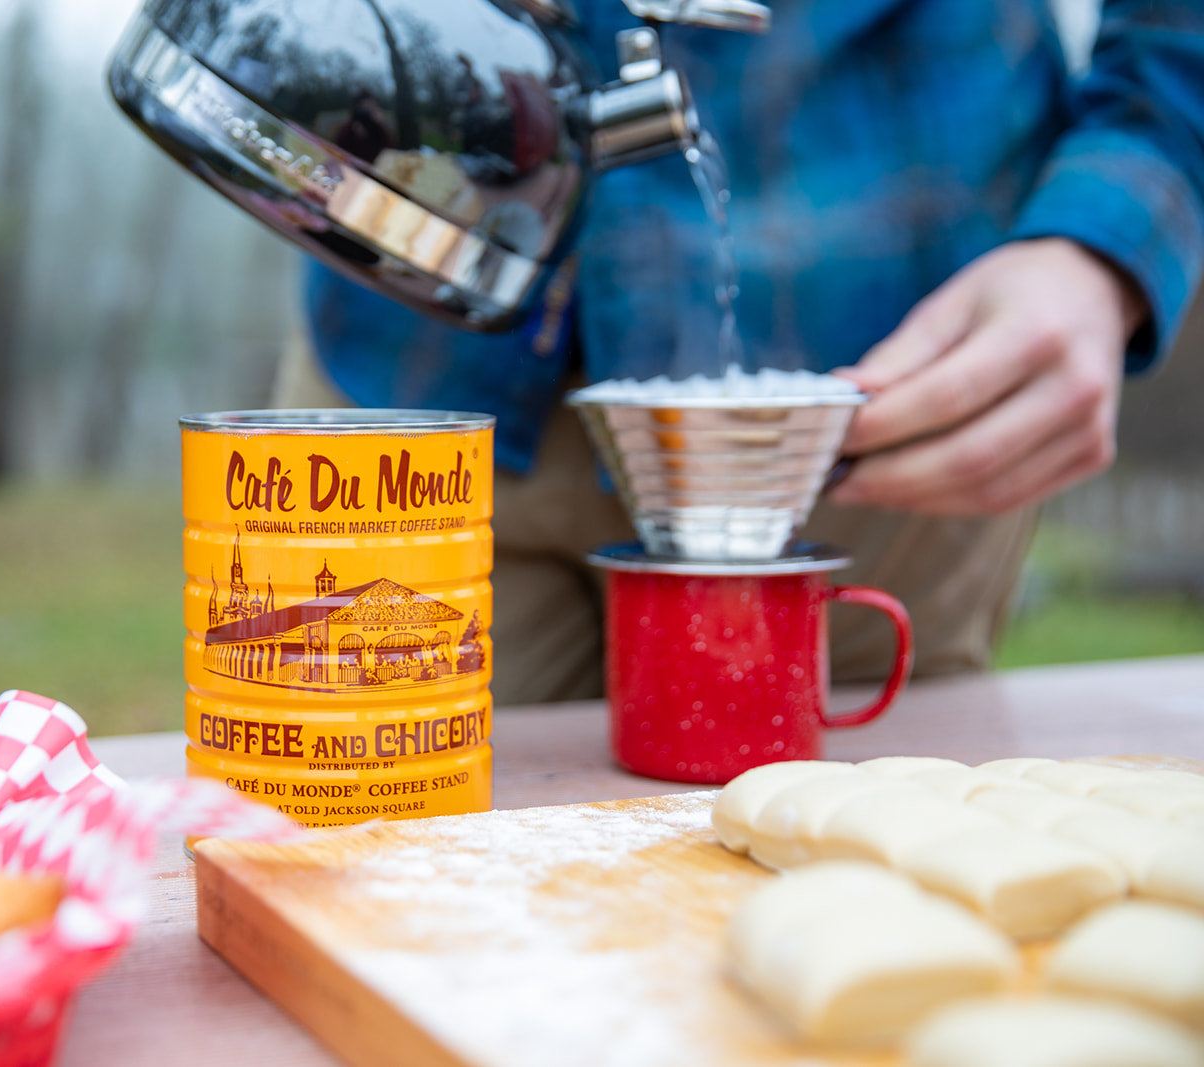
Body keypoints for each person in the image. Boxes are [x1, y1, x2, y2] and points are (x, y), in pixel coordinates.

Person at [273, 0, 1204, 705]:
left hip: (880, 395)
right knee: (369, 877)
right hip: (415, 352)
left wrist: (1109, 234)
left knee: (841, 897)